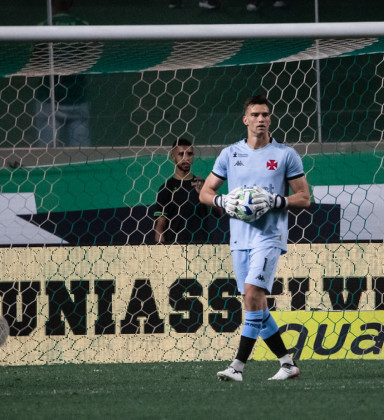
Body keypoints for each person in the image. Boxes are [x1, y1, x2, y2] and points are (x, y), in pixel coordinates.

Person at [199, 94, 310, 381]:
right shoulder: (229, 154)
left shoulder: (285, 154)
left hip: (270, 236)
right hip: (239, 239)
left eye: (265, 115)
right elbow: (205, 192)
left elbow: (304, 197)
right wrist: (222, 202)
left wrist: (275, 201)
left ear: (270, 119)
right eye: (255, 115)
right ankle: (287, 364)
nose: (261, 119)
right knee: (254, 302)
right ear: (245, 119)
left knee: (252, 295)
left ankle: (237, 367)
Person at [34, 0, 91, 147]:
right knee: (81, 154)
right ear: (72, 5)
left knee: (46, 155)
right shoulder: (83, 26)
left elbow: (36, 59)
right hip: (77, 96)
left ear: (52, 5)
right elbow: (91, 55)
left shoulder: (44, 26)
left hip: (49, 98)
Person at [154, 138, 215, 245]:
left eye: (190, 154)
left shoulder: (202, 184)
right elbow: (160, 225)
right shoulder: (166, 188)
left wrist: (206, 192)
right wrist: (161, 253)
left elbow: (219, 213)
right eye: (181, 154)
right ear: (173, 157)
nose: (186, 158)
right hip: (175, 247)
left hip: (202, 246)